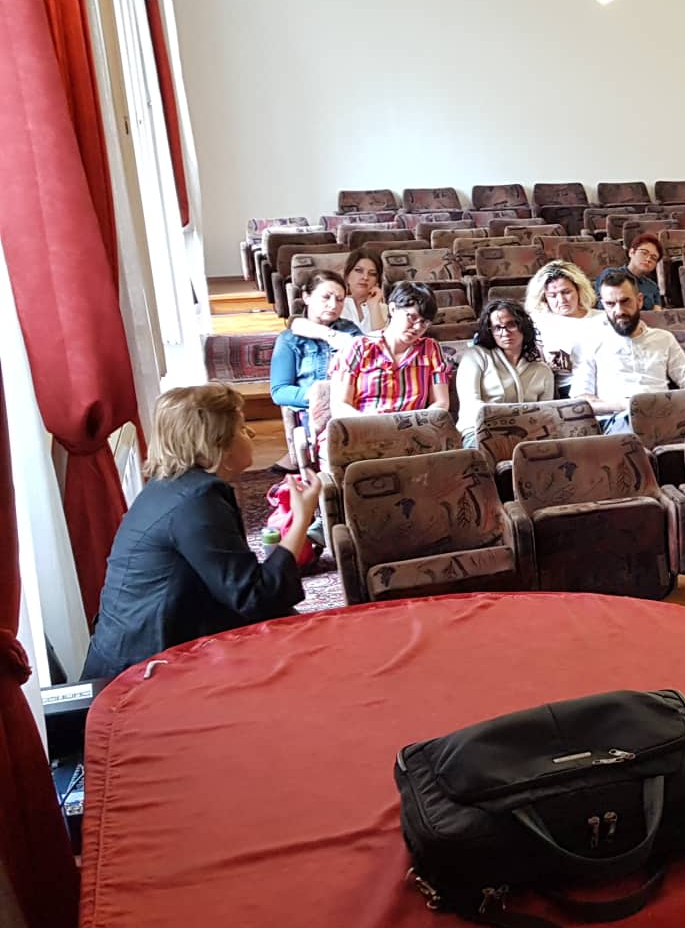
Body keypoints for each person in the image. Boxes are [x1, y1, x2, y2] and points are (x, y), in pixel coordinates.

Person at [84, 385, 316, 680]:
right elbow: (254, 596)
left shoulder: (172, 487)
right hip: (143, 672)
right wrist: (301, 519)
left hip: (149, 647)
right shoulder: (197, 501)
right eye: (241, 428)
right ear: (218, 443)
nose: (250, 434)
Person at [574, 269, 685, 432]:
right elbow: (582, 400)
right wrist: (626, 405)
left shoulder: (663, 338)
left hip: (665, 415)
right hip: (619, 419)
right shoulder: (591, 342)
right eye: (610, 304)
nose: (619, 311)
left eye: (625, 301)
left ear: (639, 300)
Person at [269, 269, 361, 469]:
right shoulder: (289, 340)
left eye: (339, 300)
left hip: (352, 404)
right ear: (306, 297)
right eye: (326, 297)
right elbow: (279, 391)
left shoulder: (350, 332)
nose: (333, 305)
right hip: (313, 410)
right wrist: (319, 396)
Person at [328, 281, 451, 428]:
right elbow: (340, 406)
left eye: (424, 322)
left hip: (413, 430)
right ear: (392, 309)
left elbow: (441, 403)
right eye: (412, 317)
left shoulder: (430, 349)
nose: (417, 327)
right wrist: (374, 427)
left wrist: (415, 426)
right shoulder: (359, 347)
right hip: (363, 428)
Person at [454, 299, 555, 446]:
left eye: (511, 325)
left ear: (523, 326)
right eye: (497, 328)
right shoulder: (475, 356)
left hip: (528, 435)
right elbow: (471, 405)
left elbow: (546, 415)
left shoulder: (542, 370)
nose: (505, 333)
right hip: (478, 431)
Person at [524, 260, 607, 399]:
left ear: (579, 290)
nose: (561, 300)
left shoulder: (603, 318)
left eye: (566, 292)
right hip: (568, 387)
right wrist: (548, 365)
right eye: (553, 295)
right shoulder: (538, 320)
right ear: (544, 298)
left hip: (606, 381)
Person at [338, 250, 387, 331]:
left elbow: (380, 337)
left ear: (377, 281)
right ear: (347, 275)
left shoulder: (384, 309)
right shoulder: (336, 304)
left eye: (372, 274)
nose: (365, 277)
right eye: (359, 271)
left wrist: (374, 306)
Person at [626, 235, 665, 309]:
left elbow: (657, 312)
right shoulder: (611, 275)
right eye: (644, 253)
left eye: (653, 258)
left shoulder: (653, 287)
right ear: (631, 252)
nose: (648, 259)